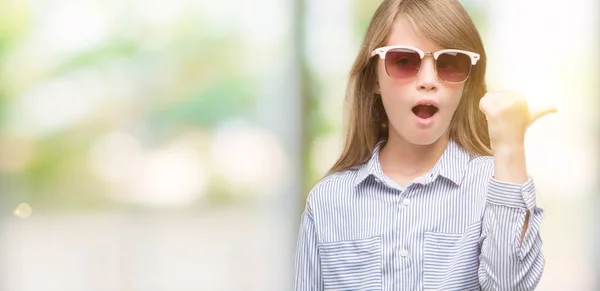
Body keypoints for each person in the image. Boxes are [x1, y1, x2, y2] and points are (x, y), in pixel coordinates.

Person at [293, 0, 556, 290]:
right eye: (404, 61)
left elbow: (510, 287)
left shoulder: (494, 185)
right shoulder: (327, 202)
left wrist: (509, 148)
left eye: (450, 63)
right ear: (373, 79)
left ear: (467, 83)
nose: (429, 80)